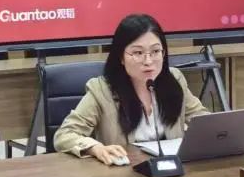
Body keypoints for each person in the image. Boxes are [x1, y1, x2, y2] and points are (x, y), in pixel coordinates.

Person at [53, 13, 209, 165]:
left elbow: (204, 122)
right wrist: (95, 148)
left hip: (172, 172)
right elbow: (65, 135)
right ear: (121, 57)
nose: (148, 61)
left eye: (155, 51)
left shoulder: (175, 80)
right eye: (138, 53)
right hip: (123, 174)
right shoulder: (101, 90)